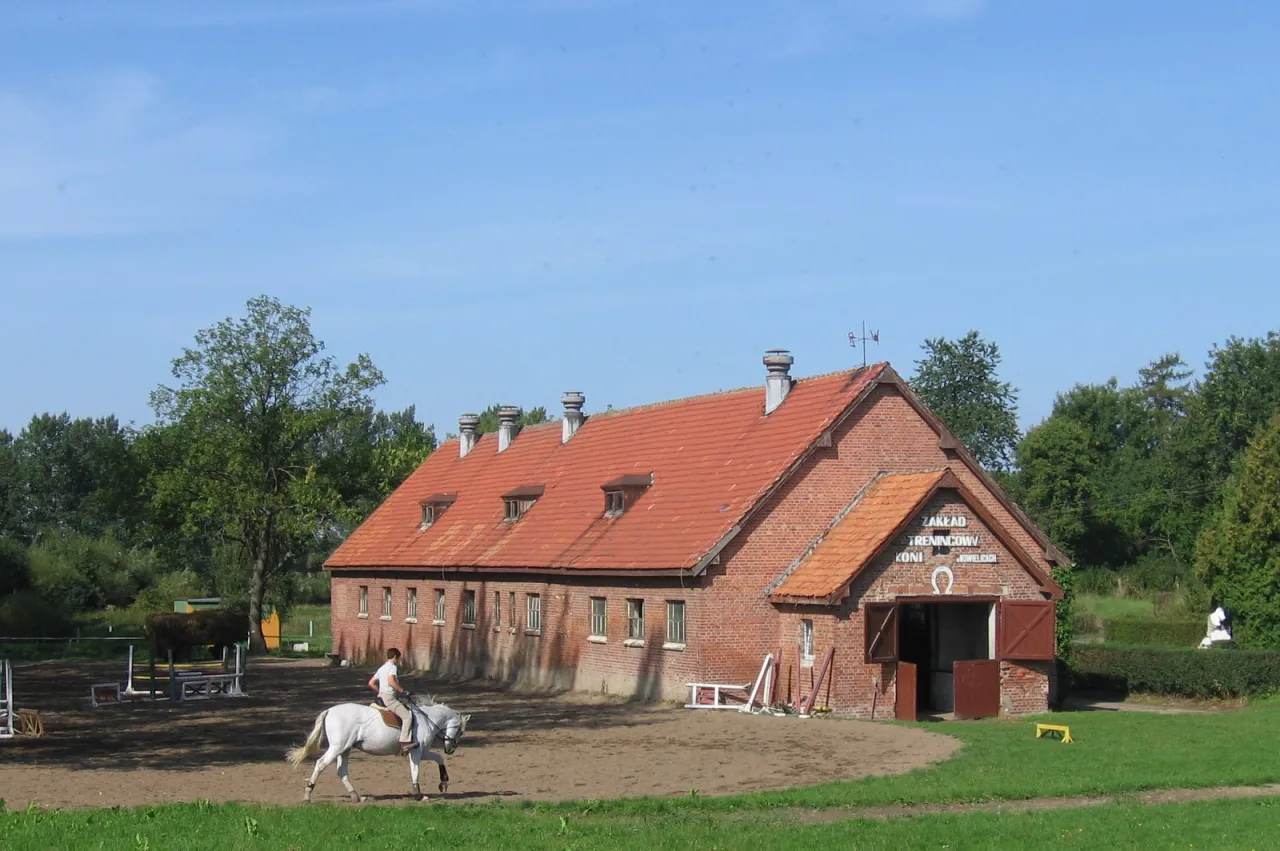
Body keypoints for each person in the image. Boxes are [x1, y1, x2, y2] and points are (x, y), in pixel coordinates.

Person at [368, 648, 415, 754]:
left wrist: (379, 691)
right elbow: (391, 682)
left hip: (380, 697)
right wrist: (403, 691)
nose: (398, 660)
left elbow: (371, 683)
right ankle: (404, 743)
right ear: (395, 657)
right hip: (389, 697)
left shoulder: (382, 668)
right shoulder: (392, 667)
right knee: (407, 716)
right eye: (398, 658)